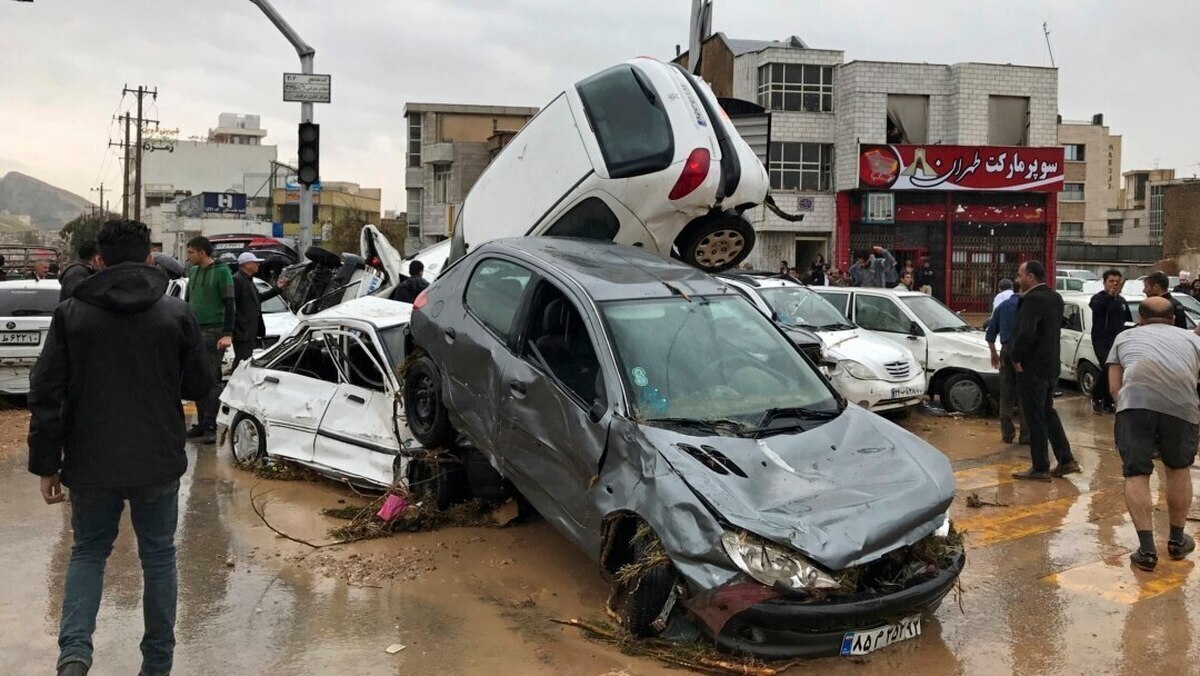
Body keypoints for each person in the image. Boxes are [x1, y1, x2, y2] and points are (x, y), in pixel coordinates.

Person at [27, 219, 212, 676]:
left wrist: (47, 463)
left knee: (88, 551)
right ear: (149, 258)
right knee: (159, 556)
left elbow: (46, 391)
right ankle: (157, 665)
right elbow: (201, 384)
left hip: (90, 460)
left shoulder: (71, 313)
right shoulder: (175, 314)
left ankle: (74, 656)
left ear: (100, 261)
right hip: (157, 458)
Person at [1107, 296, 1200, 571]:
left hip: (1134, 405)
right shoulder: (1192, 340)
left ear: (1141, 319)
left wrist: (1124, 407)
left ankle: (1147, 550)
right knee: (1178, 469)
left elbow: (1115, 386)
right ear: (1173, 319)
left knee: (1136, 473)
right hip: (1182, 408)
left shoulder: (1124, 337)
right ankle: (1176, 540)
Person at [1009, 260, 1080, 481]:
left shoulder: (1032, 299)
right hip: (1050, 366)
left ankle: (1040, 467)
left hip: (1032, 367)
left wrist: (1015, 356)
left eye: (1020, 274)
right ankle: (1066, 459)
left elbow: (1025, 332)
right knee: (1047, 412)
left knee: (1035, 417)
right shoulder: (1054, 297)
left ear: (1030, 277)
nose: (1018, 279)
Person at [184, 236, 235, 445]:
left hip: (214, 331)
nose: (188, 256)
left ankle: (210, 424)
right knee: (196, 377)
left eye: (190, 252)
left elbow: (230, 304)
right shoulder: (193, 272)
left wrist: (228, 333)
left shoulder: (222, 272)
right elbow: (187, 302)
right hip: (194, 330)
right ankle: (201, 423)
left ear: (202, 252)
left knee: (211, 378)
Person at [231, 252, 288, 372]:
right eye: (255, 262)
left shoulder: (249, 280)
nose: (258, 264)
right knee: (242, 360)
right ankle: (235, 383)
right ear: (246, 264)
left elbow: (258, 299)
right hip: (242, 329)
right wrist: (233, 329)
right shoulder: (237, 280)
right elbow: (231, 306)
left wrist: (278, 289)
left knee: (245, 359)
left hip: (250, 329)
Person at [986, 291, 1028, 445]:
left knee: (1006, 394)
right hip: (1024, 352)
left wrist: (994, 354)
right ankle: (1026, 435)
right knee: (1024, 394)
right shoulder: (1028, 306)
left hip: (1006, 350)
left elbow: (990, 335)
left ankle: (1007, 434)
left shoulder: (1002, 307)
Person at [1089, 269, 1131, 414]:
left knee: (1115, 370)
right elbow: (1096, 307)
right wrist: (1109, 296)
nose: (1114, 284)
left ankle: (1107, 401)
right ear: (1104, 282)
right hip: (1102, 341)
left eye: (1117, 282)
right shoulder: (1098, 298)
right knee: (1108, 366)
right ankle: (1097, 394)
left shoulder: (1121, 301)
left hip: (1118, 340)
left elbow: (1127, 320)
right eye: (1111, 281)